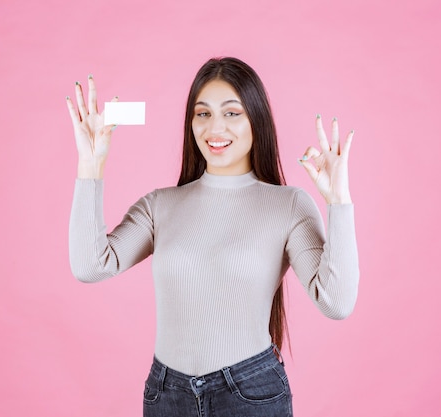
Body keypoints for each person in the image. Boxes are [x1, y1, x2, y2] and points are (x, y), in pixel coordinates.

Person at [67, 57, 359, 417]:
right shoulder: (161, 205)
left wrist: (339, 202)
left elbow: (337, 303)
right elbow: (90, 265)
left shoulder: (289, 205)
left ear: (257, 120)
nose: (215, 127)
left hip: (249, 395)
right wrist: (90, 166)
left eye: (232, 113)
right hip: (166, 394)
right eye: (202, 114)